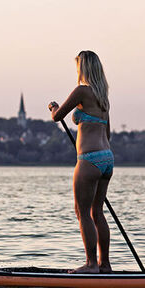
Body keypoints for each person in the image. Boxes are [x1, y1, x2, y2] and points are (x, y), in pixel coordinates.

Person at [48, 51, 114, 273]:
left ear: (83, 68)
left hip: (89, 159)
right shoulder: (103, 97)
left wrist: (53, 107)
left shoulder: (82, 91)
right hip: (107, 158)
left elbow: (58, 117)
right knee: (97, 212)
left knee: (82, 212)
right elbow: (108, 133)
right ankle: (105, 264)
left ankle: (91, 264)